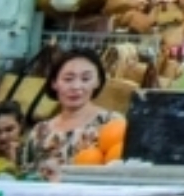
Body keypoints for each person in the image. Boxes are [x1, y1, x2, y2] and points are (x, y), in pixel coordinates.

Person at [20, 50, 118, 182]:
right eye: (68, 79)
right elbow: (26, 178)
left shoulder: (112, 123)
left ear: (98, 82)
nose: (76, 87)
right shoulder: (40, 132)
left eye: (85, 79)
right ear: (54, 83)